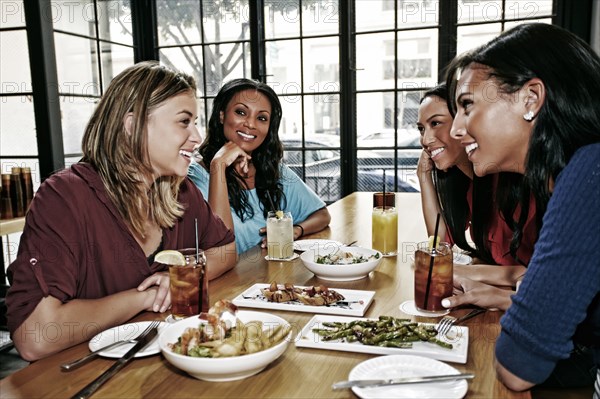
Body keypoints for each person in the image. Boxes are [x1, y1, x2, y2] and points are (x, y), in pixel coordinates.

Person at [6, 61, 237, 361]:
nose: (198, 137)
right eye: (184, 121)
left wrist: (179, 278)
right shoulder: (64, 197)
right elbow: (35, 336)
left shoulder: (179, 190)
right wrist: (145, 297)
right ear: (132, 126)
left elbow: (226, 250)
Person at [444, 23, 600, 393]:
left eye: (467, 105)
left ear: (531, 99)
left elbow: (518, 367)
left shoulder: (590, 173)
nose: (455, 130)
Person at [417, 84, 538, 310]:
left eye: (435, 123)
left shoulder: (514, 185)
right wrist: (424, 176)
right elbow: (440, 245)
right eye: (421, 129)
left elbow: (537, 274)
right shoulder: (469, 185)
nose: (425, 139)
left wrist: (467, 272)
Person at [188, 78, 330, 254]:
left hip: (271, 277)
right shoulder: (195, 179)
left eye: (261, 118)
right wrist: (219, 165)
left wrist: (294, 230)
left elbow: (322, 215)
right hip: (226, 282)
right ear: (222, 115)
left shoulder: (274, 171)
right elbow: (220, 249)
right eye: (241, 112)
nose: (250, 124)